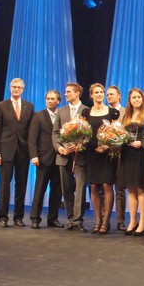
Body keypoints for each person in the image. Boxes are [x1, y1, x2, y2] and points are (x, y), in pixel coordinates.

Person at [0, 78, 34, 228]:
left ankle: (18, 217)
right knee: (4, 185)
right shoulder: (1, 106)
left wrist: (32, 152)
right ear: (10, 88)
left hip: (23, 152)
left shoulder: (29, 106)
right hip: (5, 152)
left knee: (21, 185)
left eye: (19, 87)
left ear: (23, 89)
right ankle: (3, 217)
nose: (16, 89)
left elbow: (31, 131)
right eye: (14, 87)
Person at [52, 82, 89, 232]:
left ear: (77, 93)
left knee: (80, 188)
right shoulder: (61, 111)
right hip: (64, 155)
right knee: (66, 189)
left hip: (80, 156)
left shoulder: (86, 110)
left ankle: (78, 220)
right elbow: (55, 133)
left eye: (68, 92)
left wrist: (81, 145)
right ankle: (71, 219)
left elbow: (89, 133)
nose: (65, 94)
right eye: (66, 92)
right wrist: (59, 147)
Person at [84, 83, 120, 234]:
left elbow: (117, 133)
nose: (99, 94)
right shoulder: (86, 112)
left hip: (107, 153)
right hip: (91, 153)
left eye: (101, 92)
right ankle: (98, 220)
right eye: (96, 92)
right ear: (91, 95)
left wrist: (107, 146)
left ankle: (106, 222)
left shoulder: (112, 112)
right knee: (93, 186)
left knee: (106, 185)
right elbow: (83, 131)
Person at [29, 90, 63, 229]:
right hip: (43, 158)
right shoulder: (38, 116)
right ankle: (35, 218)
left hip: (59, 158)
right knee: (40, 189)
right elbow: (32, 138)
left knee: (57, 191)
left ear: (58, 101)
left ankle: (53, 219)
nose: (49, 101)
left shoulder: (62, 115)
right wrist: (34, 156)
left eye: (52, 99)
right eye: (47, 98)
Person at [117, 88, 144, 236]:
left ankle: (142, 221)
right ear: (129, 100)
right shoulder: (126, 116)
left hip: (141, 154)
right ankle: (132, 220)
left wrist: (141, 143)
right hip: (127, 154)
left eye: (139, 97)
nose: (137, 100)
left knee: (141, 188)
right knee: (130, 189)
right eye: (134, 98)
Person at [106, 85, 127, 231]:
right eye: (107, 95)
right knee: (105, 188)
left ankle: (120, 221)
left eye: (112, 94)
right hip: (105, 156)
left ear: (119, 96)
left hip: (121, 155)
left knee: (120, 190)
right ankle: (104, 220)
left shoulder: (126, 112)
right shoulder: (103, 112)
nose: (109, 96)